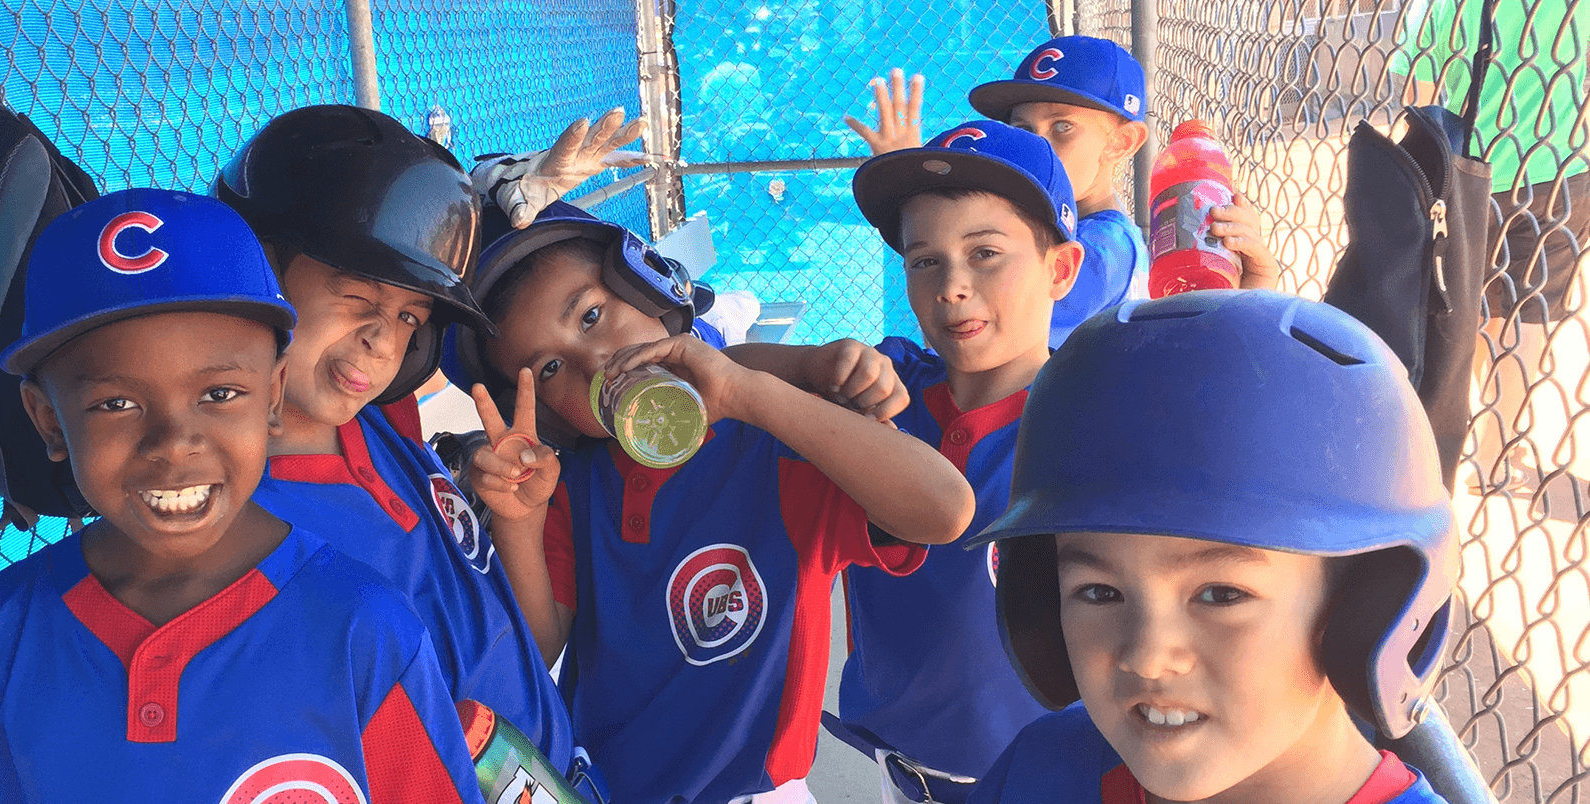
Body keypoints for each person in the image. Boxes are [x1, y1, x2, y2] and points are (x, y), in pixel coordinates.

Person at [0, 189, 482, 802]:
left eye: (219, 394)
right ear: (49, 420)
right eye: (116, 404)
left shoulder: (366, 631)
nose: (175, 444)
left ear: (272, 395)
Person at [443, 201, 976, 804]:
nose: (594, 363)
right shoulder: (572, 484)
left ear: (648, 288)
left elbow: (944, 508)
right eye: (551, 368)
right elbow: (538, 650)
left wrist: (751, 393)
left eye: (592, 315)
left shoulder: (776, 445)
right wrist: (519, 519)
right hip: (599, 784)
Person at [215, 105, 635, 789]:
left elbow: (530, 644)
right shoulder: (246, 527)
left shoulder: (381, 423)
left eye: (410, 317)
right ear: (260, 272)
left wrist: (521, 521)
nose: (384, 341)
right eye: (356, 298)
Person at [967, 289, 1459, 804]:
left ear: (1367, 614)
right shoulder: (1040, 767)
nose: (1149, 658)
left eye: (1221, 594)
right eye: (1098, 592)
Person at [729, 120, 1082, 803]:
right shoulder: (888, 384)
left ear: (1060, 269)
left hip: (1047, 778)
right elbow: (720, 375)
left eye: (985, 253)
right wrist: (813, 363)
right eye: (925, 260)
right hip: (900, 774)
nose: (952, 285)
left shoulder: (1092, 417)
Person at [849, 38, 1281, 345]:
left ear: (1122, 143)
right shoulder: (1070, 231)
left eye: (1062, 128)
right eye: (1023, 130)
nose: (1038, 148)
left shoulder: (1103, 249)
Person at [1393, 0, 1590, 493]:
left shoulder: (1438, 7)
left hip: (1473, 175)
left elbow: (1418, 100)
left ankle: (1470, 430)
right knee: (1531, 310)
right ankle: (1497, 448)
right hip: (1563, 169)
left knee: (1473, 305)